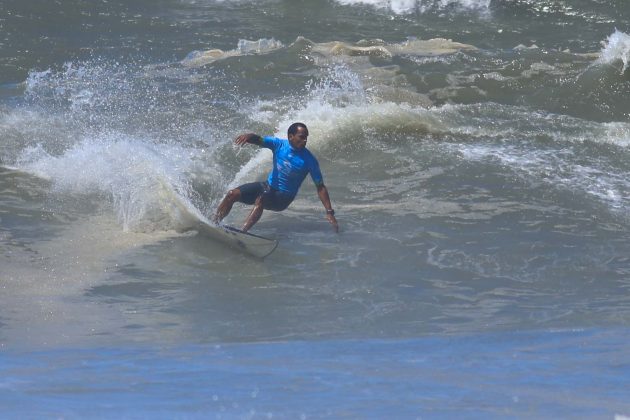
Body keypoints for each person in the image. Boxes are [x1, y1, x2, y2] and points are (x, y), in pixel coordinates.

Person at [214, 122, 339, 233]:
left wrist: (329, 212)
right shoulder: (278, 145)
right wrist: (249, 136)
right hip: (268, 187)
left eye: (306, 137)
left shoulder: (310, 160)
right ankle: (214, 223)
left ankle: (242, 233)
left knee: (261, 199)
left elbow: (320, 187)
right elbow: (260, 140)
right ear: (291, 136)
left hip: (283, 198)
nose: (305, 140)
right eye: (302, 137)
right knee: (232, 194)